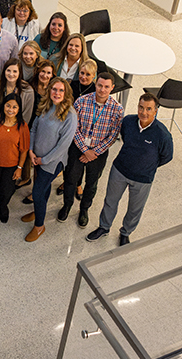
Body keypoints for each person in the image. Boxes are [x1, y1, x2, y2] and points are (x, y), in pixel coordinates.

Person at [86, 94, 173, 246]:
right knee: (110, 201)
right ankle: (104, 227)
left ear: (156, 111)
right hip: (120, 170)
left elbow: (167, 157)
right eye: (141, 107)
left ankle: (125, 233)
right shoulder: (128, 122)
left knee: (134, 209)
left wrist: (148, 165)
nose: (144, 112)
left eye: (148, 109)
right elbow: (125, 138)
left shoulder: (163, 135)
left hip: (143, 179)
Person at [62, 72, 123, 227]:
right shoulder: (81, 101)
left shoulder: (117, 109)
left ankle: (84, 209)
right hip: (78, 148)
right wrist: (84, 150)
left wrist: (93, 152)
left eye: (106, 87)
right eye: (100, 85)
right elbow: (74, 128)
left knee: (92, 183)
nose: (102, 90)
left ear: (112, 88)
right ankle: (67, 205)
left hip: (98, 153)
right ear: (96, 84)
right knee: (70, 179)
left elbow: (113, 135)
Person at [22, 77, 77, 242]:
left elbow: (63, 145)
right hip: (37, 158)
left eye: (61, 90)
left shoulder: (70, 116)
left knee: (37, 192)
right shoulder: (46, 106)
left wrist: (43, 160)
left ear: (66, 93)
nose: (57, 93)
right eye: (54, 89)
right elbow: (34, 129)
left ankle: (39, 225)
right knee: (42, 190)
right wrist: (31, 151)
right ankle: (39, 209)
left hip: (51, 163)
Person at [0, 94, 31, 223]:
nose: (11, 109)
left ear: (19, 109)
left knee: (7, 191)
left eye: (14, 107)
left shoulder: (22, 126)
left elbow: (24, 150)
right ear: (3, 105)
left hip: (11, 166)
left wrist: (20, 168)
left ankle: (2, 209)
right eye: (8, 105)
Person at [0, 59, 34, 124]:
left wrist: (17, 129)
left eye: (15, 71)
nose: (11, 74)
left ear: (20, 73)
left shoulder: (28, 90)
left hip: (17, 128)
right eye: (8, 70)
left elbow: (27, 114)